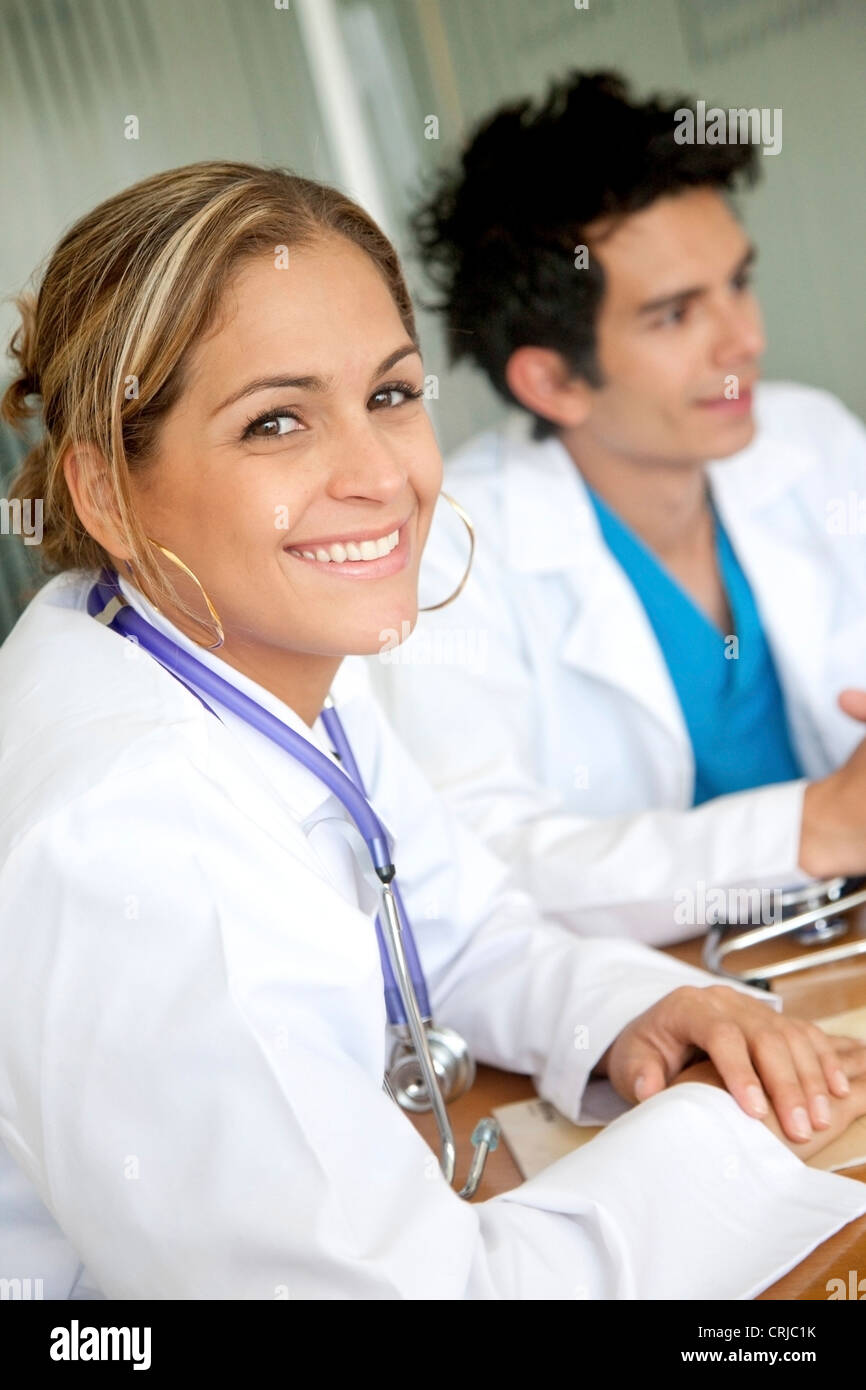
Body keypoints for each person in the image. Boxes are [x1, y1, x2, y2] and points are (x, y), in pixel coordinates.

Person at [1, 160, 866, 1302]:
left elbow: (457, 923)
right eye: (275, 421)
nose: (378, 475)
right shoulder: (133, 832)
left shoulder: (228, 640)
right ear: (107, 492)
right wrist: (728, 1135)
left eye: (391, 395)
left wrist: (634, 1007)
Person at [371, 70, 866, 945]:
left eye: (737, 284)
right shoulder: (449, 550)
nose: (744, 340)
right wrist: (814, 824)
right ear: (553, 379)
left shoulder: (814, 443)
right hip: (661, 1009)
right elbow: (484, 861)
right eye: (676, 316)